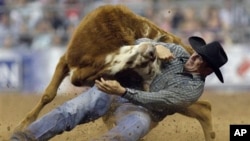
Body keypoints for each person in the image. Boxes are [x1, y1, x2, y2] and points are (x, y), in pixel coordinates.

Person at [11, 36, 228, 141]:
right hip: (116, 87)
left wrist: (122, 92)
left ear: (208, 70)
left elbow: (159, 100)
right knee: (71, 110)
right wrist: (153, 46)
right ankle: (24, 138)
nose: (194, 57)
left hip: (142, 109)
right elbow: (136, 42)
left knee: (132, 129)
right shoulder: (179, 52)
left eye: (201, 60)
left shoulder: (192, 90)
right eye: (197, 53)